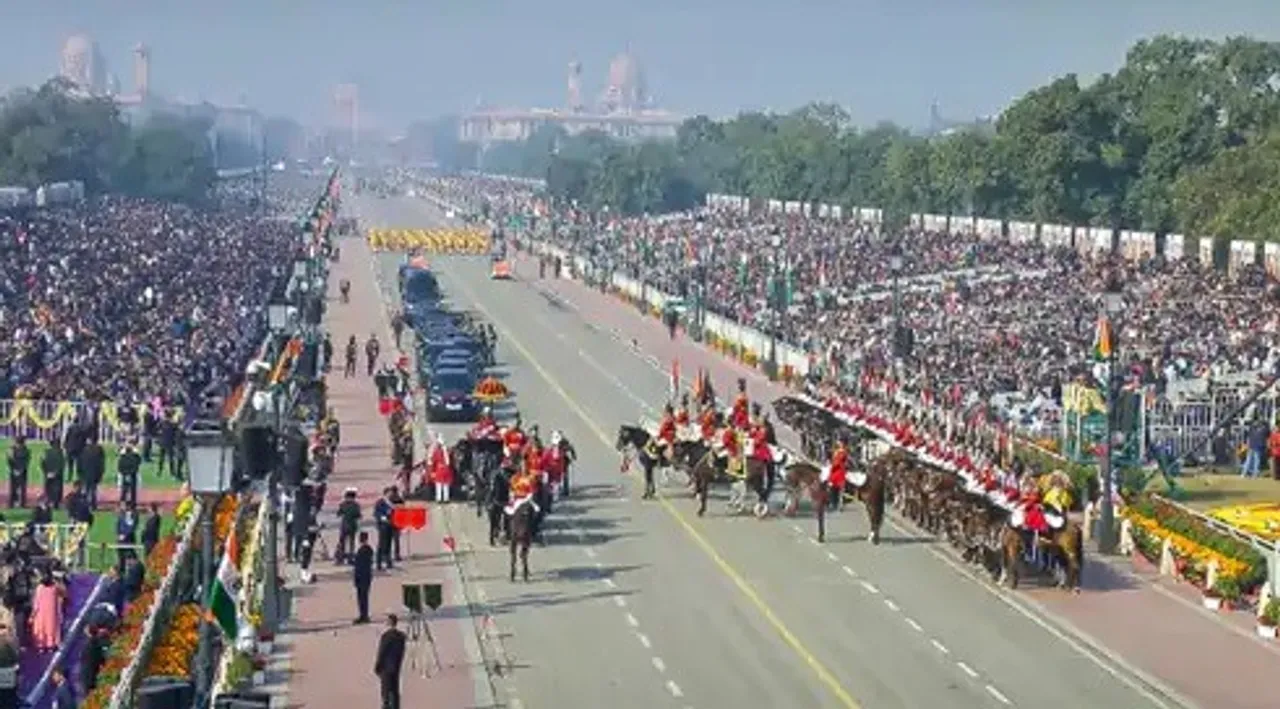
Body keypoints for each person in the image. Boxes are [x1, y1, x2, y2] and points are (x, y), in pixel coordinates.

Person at [374, 614, 407, 709]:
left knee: (386, 691)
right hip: (396, 666)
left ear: (389, 622)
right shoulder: (401, 636)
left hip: (386, 667)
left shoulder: (386, 636)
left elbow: (382, 651)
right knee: (395, 690)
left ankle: (386, 707)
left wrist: (377, 666)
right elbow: (402, 651)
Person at [30, 571, 65, 651]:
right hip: (52, 613)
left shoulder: (39, 588)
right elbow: (63, 594)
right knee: (51, 628)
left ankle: (41, 646)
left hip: (41, 614)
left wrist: (32, 615)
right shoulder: (55, 587)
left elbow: (36, 603)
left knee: (41, 628)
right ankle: (51, 645)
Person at [353, 531, 374, 624]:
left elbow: (360, 566)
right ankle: (363, 615)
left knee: (362, 597)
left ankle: (364, 616)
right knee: (363, 597)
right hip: (365, 576)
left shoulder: (363, 550)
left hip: (362, 577)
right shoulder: (367, 549)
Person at [336, 488, 361, 564]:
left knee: (342, 542)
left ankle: (340, 558)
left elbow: (338, 514)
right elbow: (358, 515)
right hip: (352, 525)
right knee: (351, 543)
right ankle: (350, 558)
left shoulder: (343, 504)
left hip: (344, 525)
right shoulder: (356, 505)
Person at [824, 438, 849, 511]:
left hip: (839, 472)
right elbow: (833, 459)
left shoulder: (843, 452)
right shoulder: (836, 451)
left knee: (840, 489)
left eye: (840, 443)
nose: (838, 444)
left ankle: (840, 504)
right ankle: (831, 503)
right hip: (834, 473)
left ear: (843, 444)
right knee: (831, 488)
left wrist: (831, 465)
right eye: (838, 443)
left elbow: (838, 462)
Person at [374, 488, 395, 571]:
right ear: (386, 494)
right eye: (389, 493)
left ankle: (388, 561)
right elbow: (376, 513)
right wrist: (383, 517)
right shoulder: (380, 502)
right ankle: (378, 563)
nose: (391, 495)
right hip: (383, 526)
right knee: (381, 544)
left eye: (391, 494)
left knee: (389, 543)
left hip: (391, 525)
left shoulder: (392, 502)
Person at [428, 434, 453, 503]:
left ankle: (441, 498)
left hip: (441, 469)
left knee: (440, 484)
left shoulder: (438, 452)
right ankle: (444, 498)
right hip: (444, 469)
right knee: (444, 485)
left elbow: (433, 461)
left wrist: (432, 471)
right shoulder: (446, 451)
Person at [117, 441, 142, 510]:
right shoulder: (134, 456)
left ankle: (123, 505)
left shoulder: (123, 457)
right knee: (133, 491)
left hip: (125, 475)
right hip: (132, 475)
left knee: (124, 491)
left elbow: (120, 467)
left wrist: (125, 474)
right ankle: (132, 505)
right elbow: (137, 464)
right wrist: (131, 473)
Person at [41, 440, 65, 508]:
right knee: (57, 489)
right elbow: (61, 464)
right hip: (57, 475)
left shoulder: (46, 452)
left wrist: (46, 472)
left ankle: (48, 501)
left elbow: (43, 462)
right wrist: (55, 473)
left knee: (48, 488)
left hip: (48, 474)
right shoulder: (60, 453)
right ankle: (55, 503)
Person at [6, 437, 29, 509]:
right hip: (21, 471)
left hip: (16, 471)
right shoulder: (26, 450)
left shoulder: (13, 450)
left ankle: (13, 503)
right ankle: (21, 503)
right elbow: (26, 462)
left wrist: (15, 470)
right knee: (20, 488)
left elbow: (10, 460)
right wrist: (19, 470)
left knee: (14, 487)